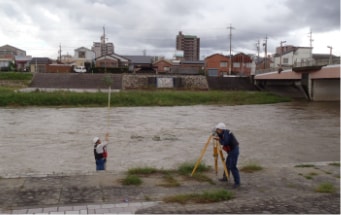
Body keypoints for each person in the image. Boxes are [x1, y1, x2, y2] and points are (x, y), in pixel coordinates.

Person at [214, 122, 240, 188]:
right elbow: (222, 138)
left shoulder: (226, 134)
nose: (217, 130)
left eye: (217, 129)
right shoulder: (224, 132)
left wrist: (219, 139)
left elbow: (225, 142)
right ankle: (225, 177)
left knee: (232, 166)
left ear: (221, 129)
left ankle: (237, 182)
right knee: (227, 164)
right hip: (231, 150)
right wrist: (218, 136)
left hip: (234, 150)